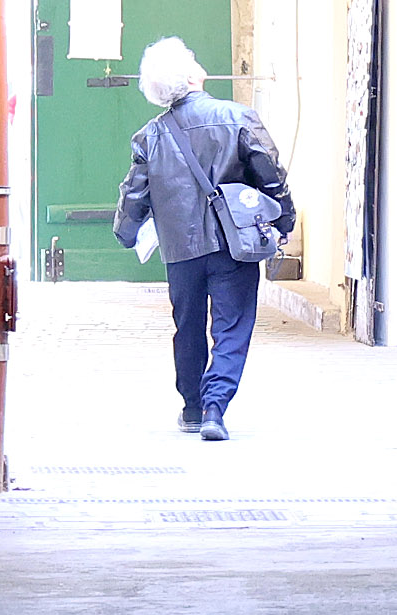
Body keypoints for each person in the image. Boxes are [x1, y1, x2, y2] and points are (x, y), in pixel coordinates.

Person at [113, 36, 293, 441]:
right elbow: (271, 175)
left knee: (188, 325)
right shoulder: (239, 118)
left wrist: (126, 233)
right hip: (236, 245)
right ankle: (216, 408)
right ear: (192, 76)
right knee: (232, 325)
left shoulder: (149, 137)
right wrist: (285, 219)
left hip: (181, 249)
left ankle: (192, 406)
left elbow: (134, 194)